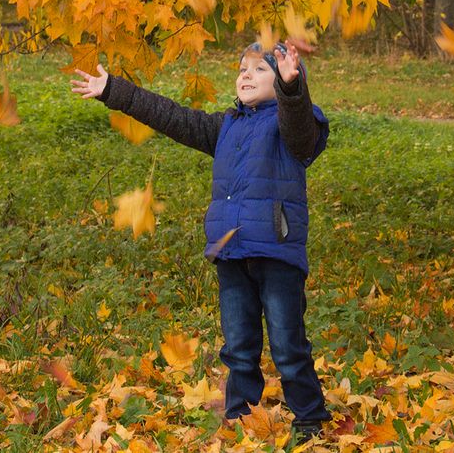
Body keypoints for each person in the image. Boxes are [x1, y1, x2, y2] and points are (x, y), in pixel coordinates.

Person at [70, 41, 332, 441]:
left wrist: (292, 89)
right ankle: (241, 416)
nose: (246, 75)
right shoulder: (225, 126)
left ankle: (310, 417)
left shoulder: (293, 124)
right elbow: (172, 117)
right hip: (231, 252)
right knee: (239, 344)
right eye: (243, 69)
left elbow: (300, 131)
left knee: (287, 343)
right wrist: (114, 91)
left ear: (282, 79)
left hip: (277, 252)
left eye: (260, 70)